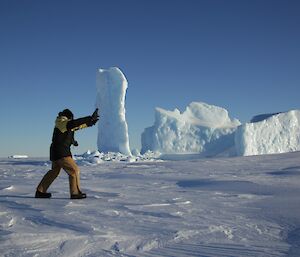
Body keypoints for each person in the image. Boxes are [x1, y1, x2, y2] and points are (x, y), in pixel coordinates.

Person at [35, 108, 99, 199]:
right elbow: (74, 124)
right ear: (68, 117)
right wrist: (89, 118)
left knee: (54, 172)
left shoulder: (65, 125)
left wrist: (91, 123)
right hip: (61, 153)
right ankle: (75, 193)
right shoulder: (62, 122)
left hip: (56, 152)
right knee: (74, 170)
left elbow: (77, 126)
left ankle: (40, 191)